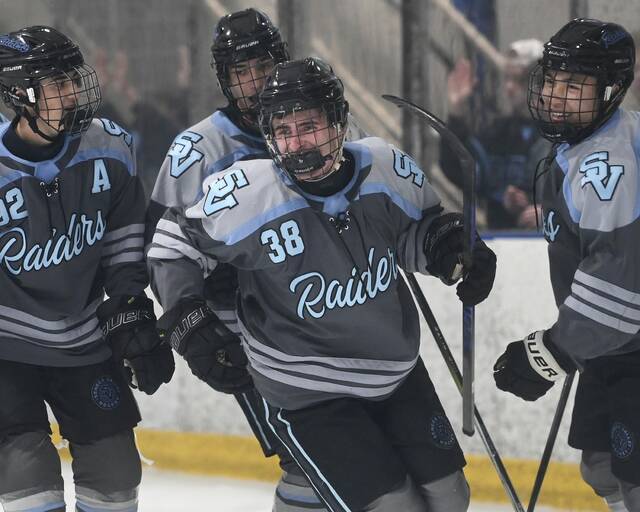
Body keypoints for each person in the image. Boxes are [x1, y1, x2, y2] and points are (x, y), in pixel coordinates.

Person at [148, 56, 497, 512]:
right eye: (283, 130)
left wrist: (451, 247)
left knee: (451, 497)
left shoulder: (386, 166)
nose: (297, 144)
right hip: (307, 388)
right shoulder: (248, 194)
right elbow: (172, 244)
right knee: (396, 506)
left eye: (309, 126)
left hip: (396, 373)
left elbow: (413, 234)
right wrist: (188, 321)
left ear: (338, 121)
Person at [145, 9, 367, 511]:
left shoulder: (322, 126)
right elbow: (159, 247)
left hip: (327, 312)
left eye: (261, 67)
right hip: (252, 327)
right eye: (239, 73)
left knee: (352, 453)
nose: (253, 83)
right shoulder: (199, 149)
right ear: (224, 79)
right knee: (309, 458)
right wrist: (184, 319)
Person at [0, 26, 174, 512]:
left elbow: (123, 242)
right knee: (26, 472)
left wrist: (128, 307)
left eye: (73, 80)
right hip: (6, 349)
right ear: (20, 94)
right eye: (56, 85)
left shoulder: (111, 148)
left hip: (83, 339)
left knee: (117, 474)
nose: (72, 94)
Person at [492, 18, 640, 512]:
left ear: (612, 89)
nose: (556, 93)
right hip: (615, 348)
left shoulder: (608, 166)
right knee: (600, 465)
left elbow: (620, 289)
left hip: (630, 343)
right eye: (553, 79)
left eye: (574, 84)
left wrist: (551, 352)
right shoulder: (580, 146)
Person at [442, 38, 550, 230]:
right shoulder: (498, 133)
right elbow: (461, 171)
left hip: (551, 249)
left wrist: (551, 214)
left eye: (519, 80)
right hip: (502, 243)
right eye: (507, 78)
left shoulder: (564, 137)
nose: (509, 87)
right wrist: (456, 111)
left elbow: (586, 201)